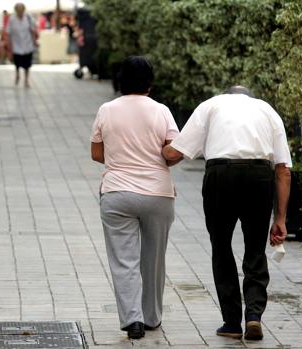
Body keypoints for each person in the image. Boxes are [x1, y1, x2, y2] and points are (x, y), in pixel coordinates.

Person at [162, 86, 292, 341]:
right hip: (258, 175)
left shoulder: (211, 105)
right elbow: (283, 170)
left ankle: (232, 322)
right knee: (255, 248)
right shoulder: (267, 110)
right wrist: (280, 219)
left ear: (226, 94)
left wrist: (157, 148)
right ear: (249, 97)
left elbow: (175, 154)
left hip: (220, 174)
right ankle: (253, 316)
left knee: (221, 246)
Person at [90, 56, 180, 339]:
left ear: (121, 81)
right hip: (158, 194)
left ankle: (133, 321)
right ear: (150, 84)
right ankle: (152, 317)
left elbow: (96, 153)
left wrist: (120, 158)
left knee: (124, 259)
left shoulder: (106, 109)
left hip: (117, 193)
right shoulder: (162, 111)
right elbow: (173, 151)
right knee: (153, 259)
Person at [6, 3, 38, 87]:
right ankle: (17, 75)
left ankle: (26, 80)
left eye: (21, 10)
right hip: (17, 45)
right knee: (17, 63)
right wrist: (9, 44)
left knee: (27, 64)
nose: (20, 11)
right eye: (18, 10)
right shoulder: (12, 19)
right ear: (16, 10)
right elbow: (8, 32)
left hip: (28, 44)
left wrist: (34, 41)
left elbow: (32, 30)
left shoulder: (28, 17)